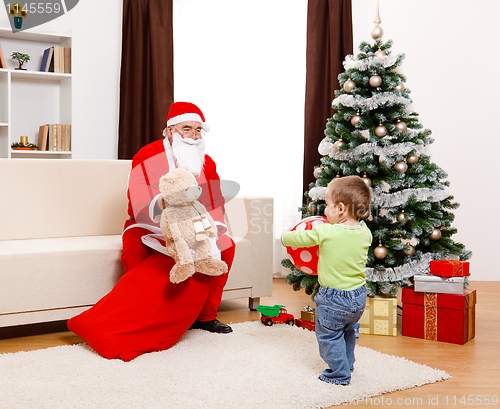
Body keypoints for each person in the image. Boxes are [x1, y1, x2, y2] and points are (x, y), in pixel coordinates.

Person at [67, 102, 236, 361]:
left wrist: (209, 226)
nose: (193, 135)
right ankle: (140, 313)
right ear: (170, 131)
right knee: (135, 247)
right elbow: (136, 200)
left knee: (225, 245)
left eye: (198, 130)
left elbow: (215, 201)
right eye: (186, 128)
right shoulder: (148, 154)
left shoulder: (207, 162)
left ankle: (205, 316)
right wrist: (168, 211)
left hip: (194, 225)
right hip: (150, 224)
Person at [281, 175, 372, 385]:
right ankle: (347, 363)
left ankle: (339, 374)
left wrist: (285, 236)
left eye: (327, 205)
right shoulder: (365, 232)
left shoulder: (325, 231)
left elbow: (299, 238)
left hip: (334, 299)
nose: (324, 211)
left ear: (340, 208)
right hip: (358, 297)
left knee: (329, 336)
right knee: (347, 330)